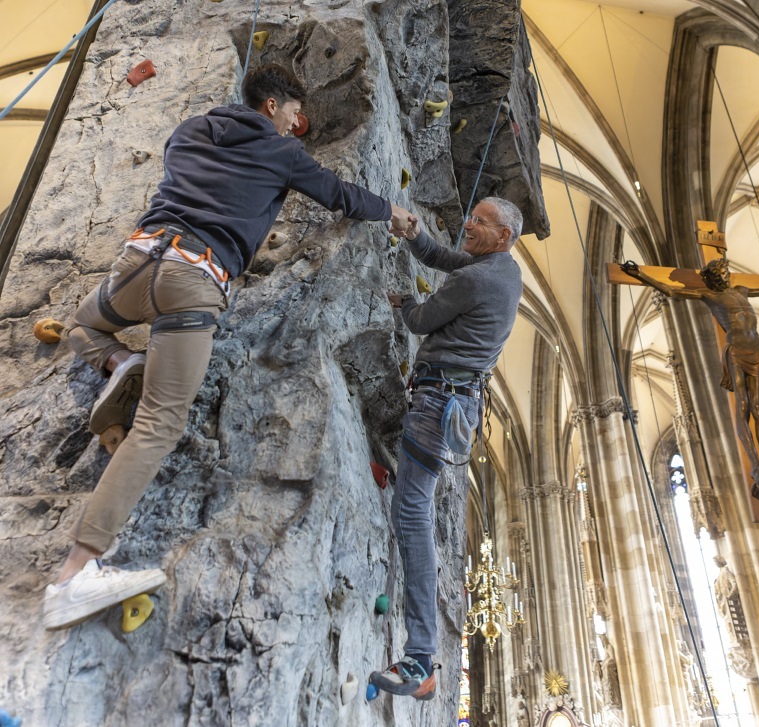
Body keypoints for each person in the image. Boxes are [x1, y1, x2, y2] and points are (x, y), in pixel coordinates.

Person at [43, 63, 412, 630]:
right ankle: (75, 573)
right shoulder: (282, 151)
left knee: (81, 329)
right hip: (192, 280)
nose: (296, 126)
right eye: (294, 114)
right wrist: (393, 211)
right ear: (273, 105)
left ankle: (121, 362)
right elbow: (339, 194)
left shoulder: (190, 128)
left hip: (136, 263)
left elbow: (189, 172)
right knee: (160, 424)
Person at [370, 197, 523, 699]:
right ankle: (420, 655)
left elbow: (420, 320)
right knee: (415, 506)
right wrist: (414, 235)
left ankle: (420, 660)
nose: (469, 224)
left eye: (481, 221)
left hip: (440, 402)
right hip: (455, 402)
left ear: (503, 235)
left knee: (412, 510)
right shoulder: (503, 271)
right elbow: (444, 258)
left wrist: (400, 303)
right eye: (471, 216)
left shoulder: (479, 279)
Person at [621, 257, 759, 505]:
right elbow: (672, 290)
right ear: (710, 277)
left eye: (725, 273)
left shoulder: (741, 290)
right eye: (719, 274)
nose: (723, 277)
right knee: (744, 406)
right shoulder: (709, 296)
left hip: (755, 349)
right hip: (736, 351)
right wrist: (640, 275)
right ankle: (757, 468)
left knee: (758, 410)